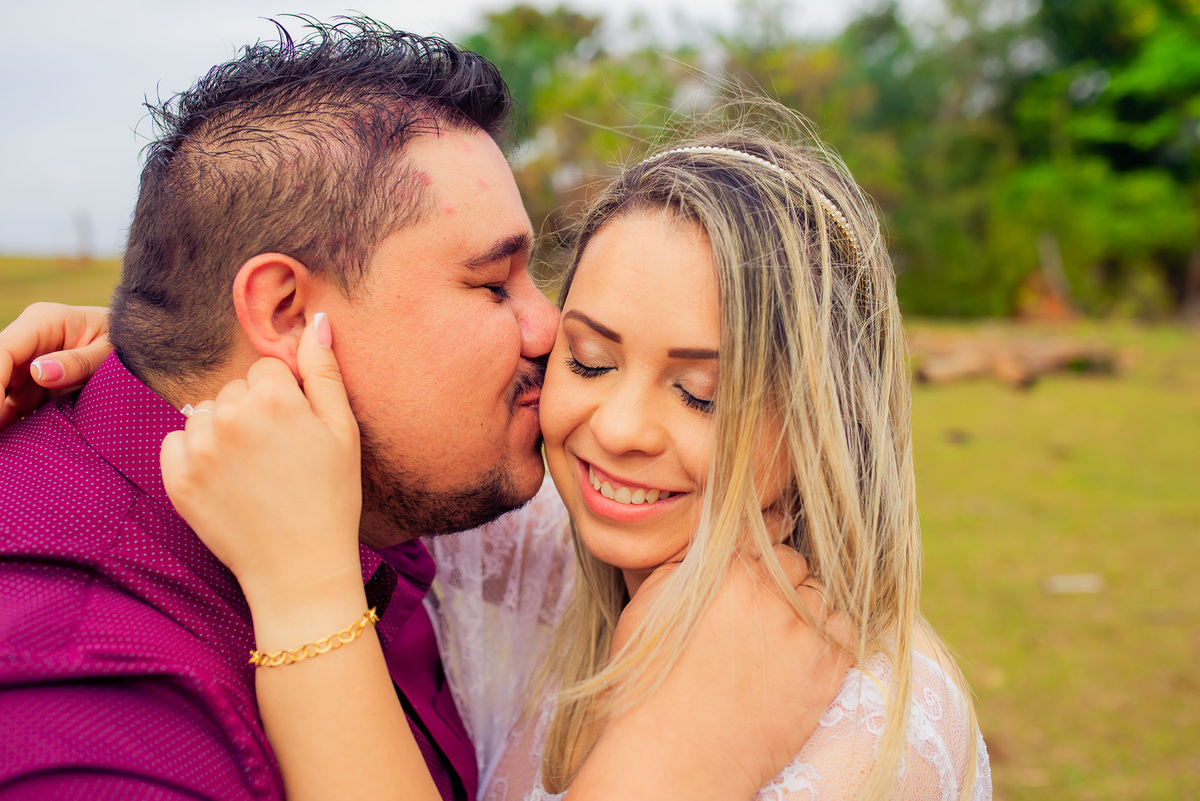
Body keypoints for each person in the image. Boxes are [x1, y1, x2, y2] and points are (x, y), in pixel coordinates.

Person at [0, 19, 845, 801]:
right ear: (287, 313)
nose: (547, 327)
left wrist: (156, 338)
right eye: (491, 283)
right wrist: (682, 757)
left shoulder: (388, 490)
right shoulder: (94, 726)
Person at [140, 110, 993, 798]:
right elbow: (373, 408)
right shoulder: (522, 548)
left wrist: (686, 757)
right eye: (588, 359)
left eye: (702, 392)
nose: (619, 428)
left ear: (825, 421)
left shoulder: (870, 731)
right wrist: (134, 356)